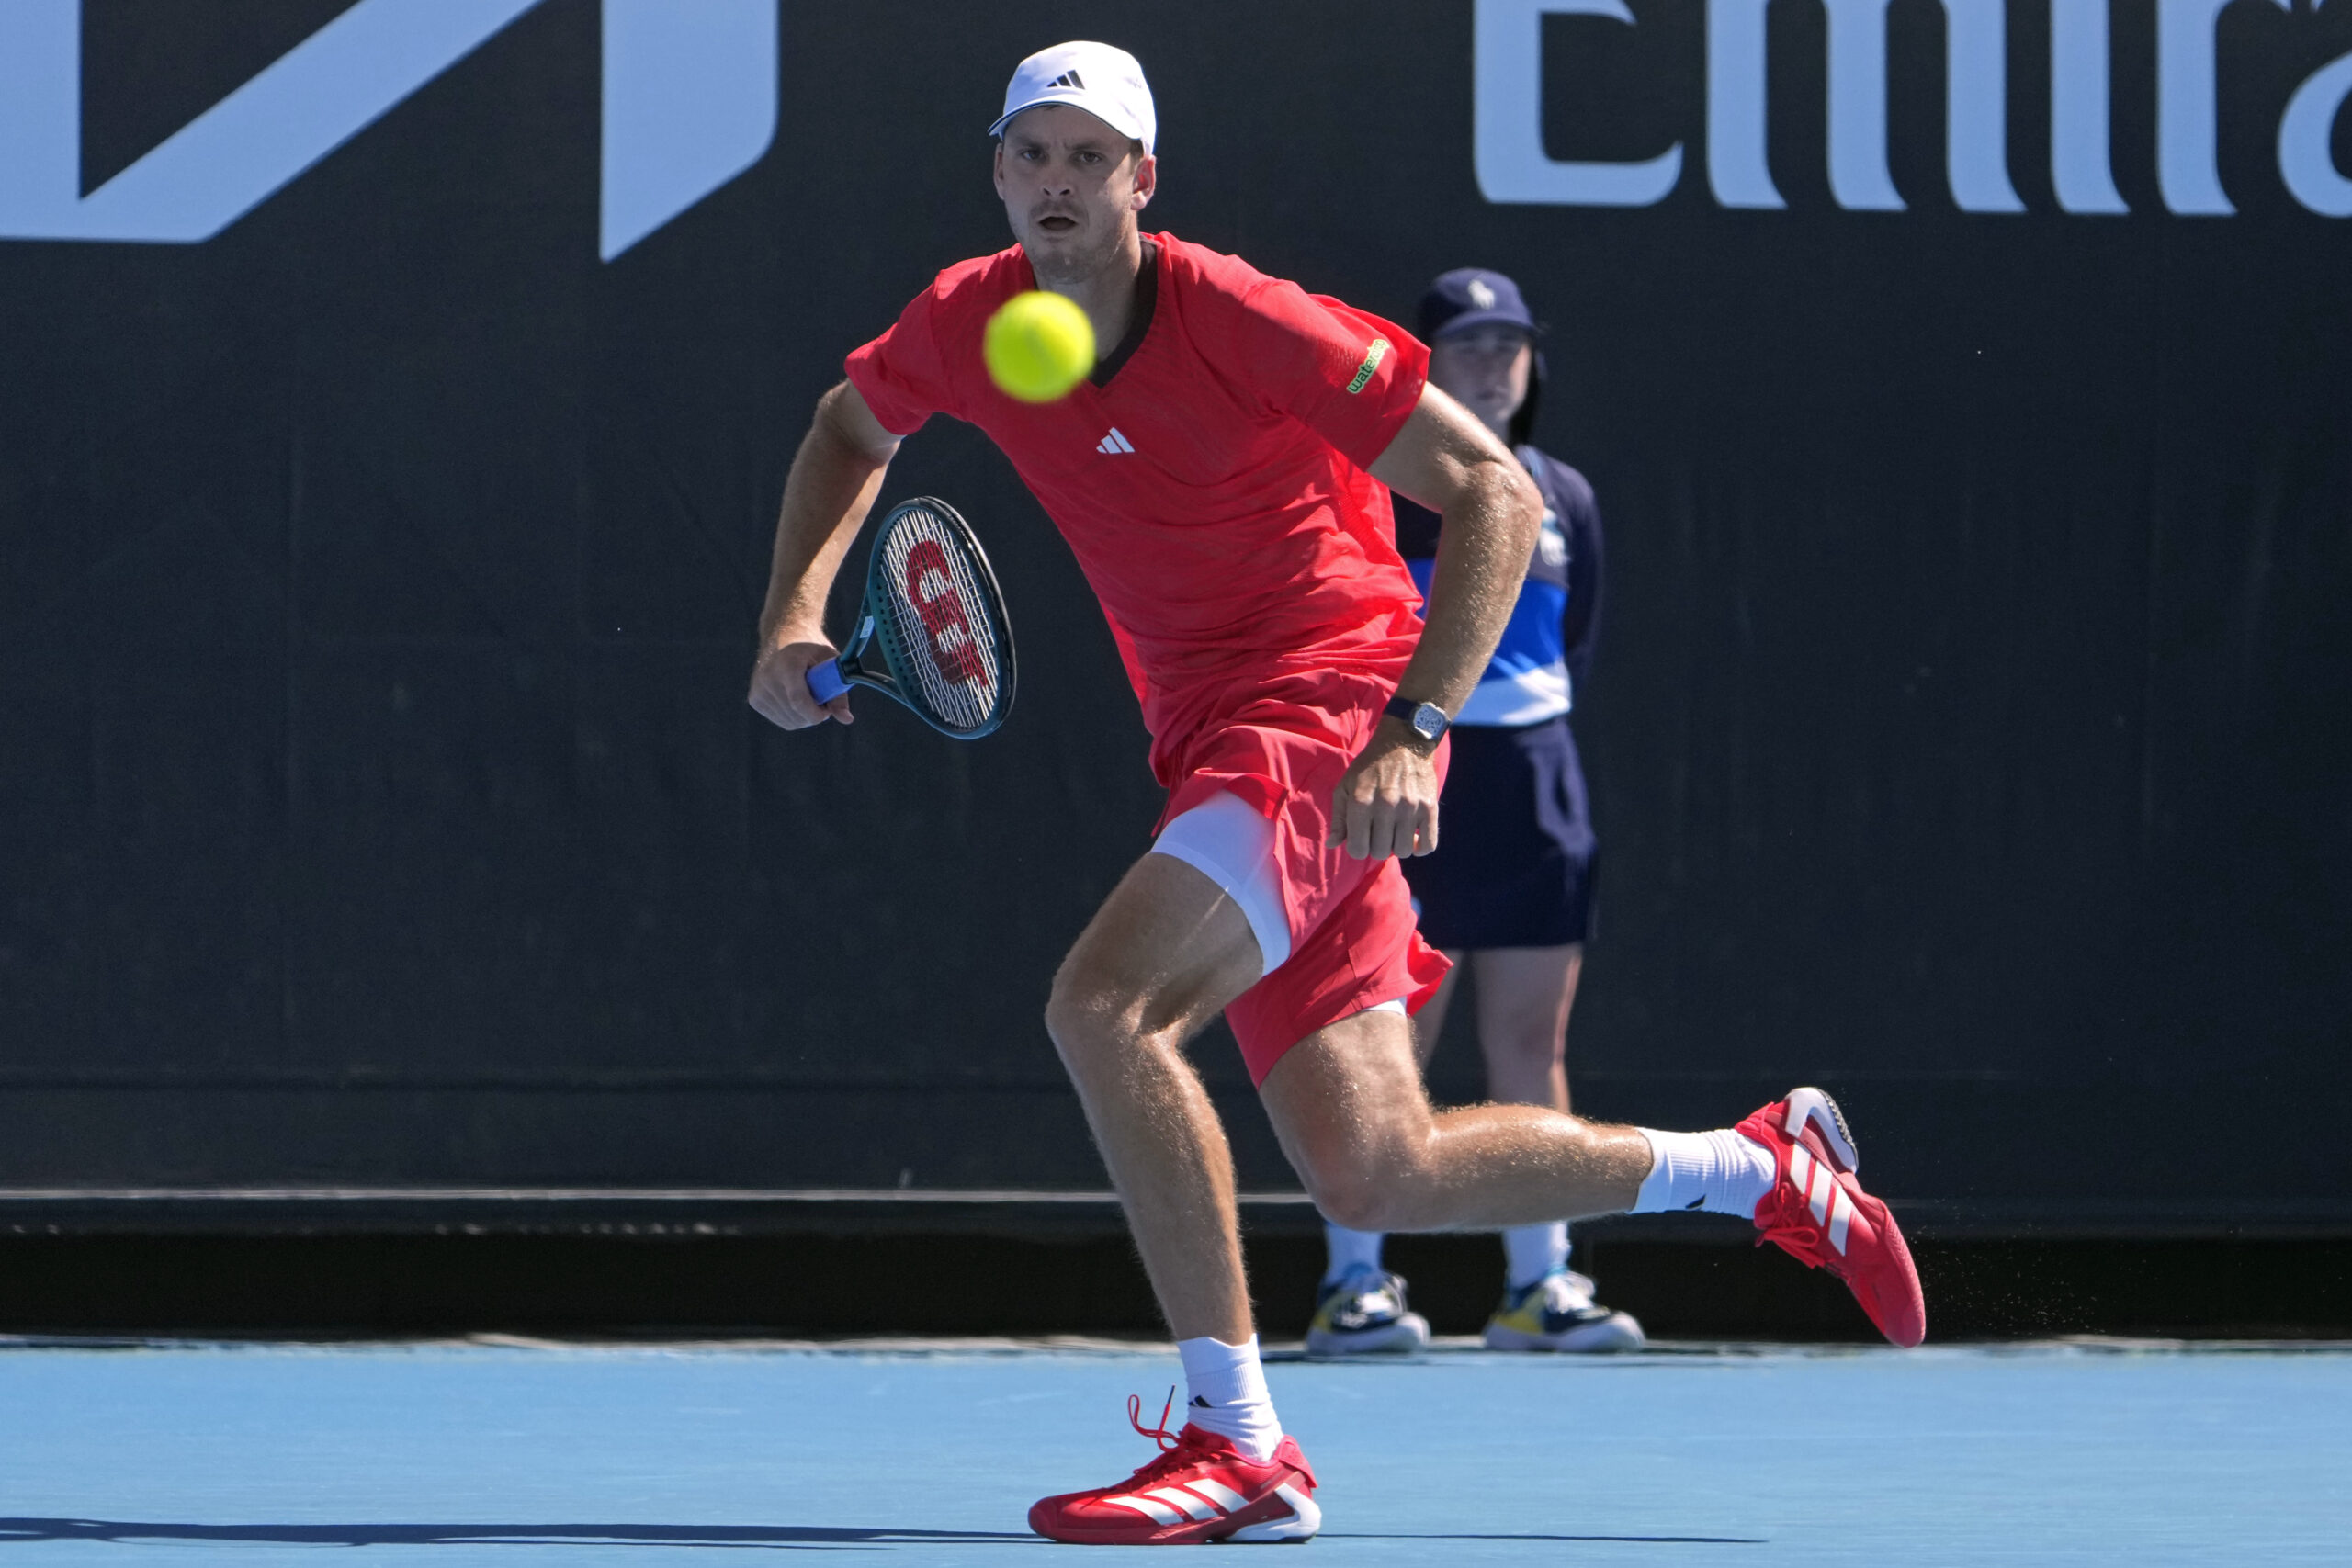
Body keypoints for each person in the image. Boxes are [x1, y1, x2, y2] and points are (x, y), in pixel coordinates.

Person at [746, 40, 1927, 1548]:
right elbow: (852, 425)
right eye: (1031, 155)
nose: (1055, 182)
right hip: (1211, 732)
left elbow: (1490, 488)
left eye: (1086, 158)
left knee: (1103, 1007)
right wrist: (794, 613)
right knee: (1384, 1162)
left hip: (1327, 698)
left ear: (1140, 181)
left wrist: (1419, 725)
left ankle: (1237, 1442)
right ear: (997, 174)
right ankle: (1764, 1169)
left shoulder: (1242, 316)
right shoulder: (970, 320)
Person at [1306, 269, 1641, 1358]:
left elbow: (1573, 640)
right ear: (1426, 363)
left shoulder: (1568, 498)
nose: (1494, 364)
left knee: (1529, 1043)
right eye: (1469, 345)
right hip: (1412, 777)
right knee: (1391, 1040)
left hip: (1538, 783)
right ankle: (1353, 1283)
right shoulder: (1386, 483)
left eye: (1511, 345)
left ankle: (1536, 1284)